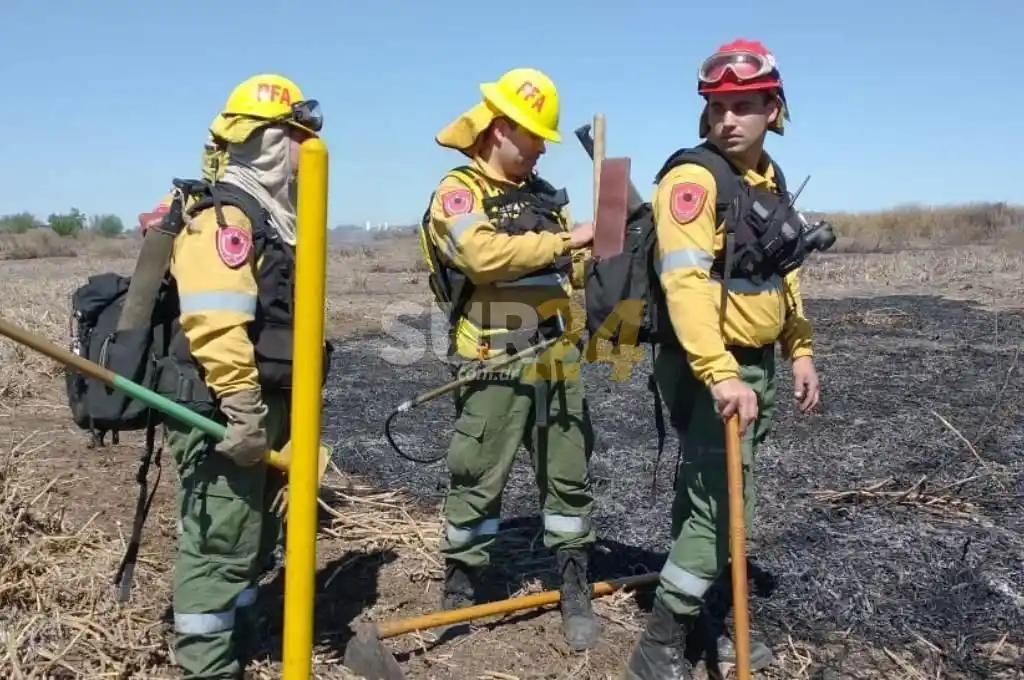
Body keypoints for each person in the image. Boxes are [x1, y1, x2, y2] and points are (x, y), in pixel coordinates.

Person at [623, 39, 821, 679]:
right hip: (709, 366)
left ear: (773, 108)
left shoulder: (766, 179)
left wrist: (799, 346)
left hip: (752, 362)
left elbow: (779, 271)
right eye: (717, 108)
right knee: (723, 508)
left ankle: (704, 618)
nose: (728, 119)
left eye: (743, 105)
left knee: (714, 499)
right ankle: (657, 646)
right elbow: (682, 285)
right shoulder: (692, 180)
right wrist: (723, 373)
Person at [418, 67, 600, 650]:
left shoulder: (547, 199)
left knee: (569, 478)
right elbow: (480, 255)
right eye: (534, 135)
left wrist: (603, 255)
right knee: (476, 477)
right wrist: (567, 242)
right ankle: (462, 586)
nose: (543, 146)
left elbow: (573, 270)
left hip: (556, 357)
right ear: (500, 129)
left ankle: (574, 584)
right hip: (492, 360)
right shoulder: (459, 191)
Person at [158, 73, 326, 679]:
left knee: (254, 538)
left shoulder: (278, 220)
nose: (304, 153)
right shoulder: (226, 219)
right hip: (223, 407)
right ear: (264, 142)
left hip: (270, 402)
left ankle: (243, 637)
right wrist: (245, 412)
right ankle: (207, 666)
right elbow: (215, 324)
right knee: (219, 543)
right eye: (292, 137)